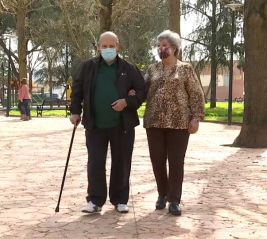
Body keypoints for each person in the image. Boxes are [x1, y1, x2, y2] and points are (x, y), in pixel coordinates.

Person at [69, 31, 145, 214]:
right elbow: (77, 90)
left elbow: (142, 91)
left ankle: (120, 200)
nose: (108, 49)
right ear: (99, 47)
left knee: (122, 162)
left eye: (112, 46)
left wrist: (127, 101)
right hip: (95, 124)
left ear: (118, 46)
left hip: (122, 126)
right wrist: (75, 112)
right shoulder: (88, 67)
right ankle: (95, 200)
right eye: (105, 46)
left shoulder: (129, 68)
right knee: (95, 162)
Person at [131, 30, 205, 216]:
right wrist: (132, 93)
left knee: (176, 162)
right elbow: (143, 90)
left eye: (165, 46)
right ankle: (162, 195)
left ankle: (174, 199)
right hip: (154, 122)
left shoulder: (186, 69)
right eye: (159, 46)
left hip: (179, 123)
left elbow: (196, 94)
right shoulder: (151, 69)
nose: (161, 49)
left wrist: (196, 118)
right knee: (157, 161)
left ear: (174, 48)